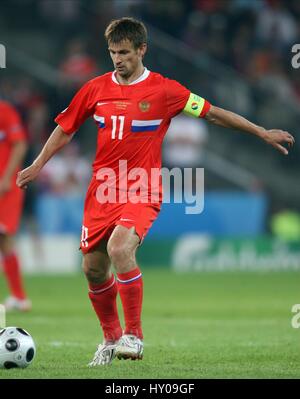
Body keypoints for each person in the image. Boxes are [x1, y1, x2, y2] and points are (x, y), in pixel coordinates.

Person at [16, 17, 295, 366]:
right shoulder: (95, 89)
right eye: (112, 52)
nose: (117, 59)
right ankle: (110, 338)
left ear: (142, 49)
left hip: (142, 187)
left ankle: (134, 335)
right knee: (92, 268)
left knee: (120, 248)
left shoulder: (165, 91)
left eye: (124, 53)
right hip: (102, 189)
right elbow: (66, 128)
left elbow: (213, 114)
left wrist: (261, 132)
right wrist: (39, 164)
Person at [0, 99, 31, 311]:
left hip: (5, 187)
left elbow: (20, 144)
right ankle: (19, 297)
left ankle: (20, 296)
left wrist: (7, 177)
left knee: (5, 238)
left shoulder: (4, 110)